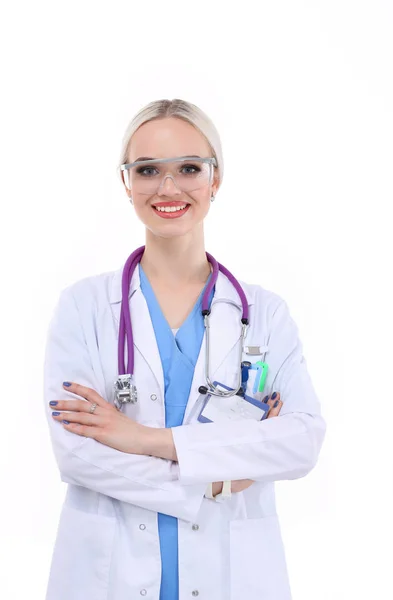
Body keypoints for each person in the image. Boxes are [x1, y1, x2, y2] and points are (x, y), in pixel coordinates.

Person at [43, 98, 326, 600]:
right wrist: (217, 480)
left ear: (215, 179)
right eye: (148, 169)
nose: (168, 188)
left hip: (235, 579)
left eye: (189, 168)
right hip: (107, 577)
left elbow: (300, 441)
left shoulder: (263, 313)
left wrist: (141, 438)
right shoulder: (83, 307)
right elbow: (77, 455)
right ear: (127, 182)